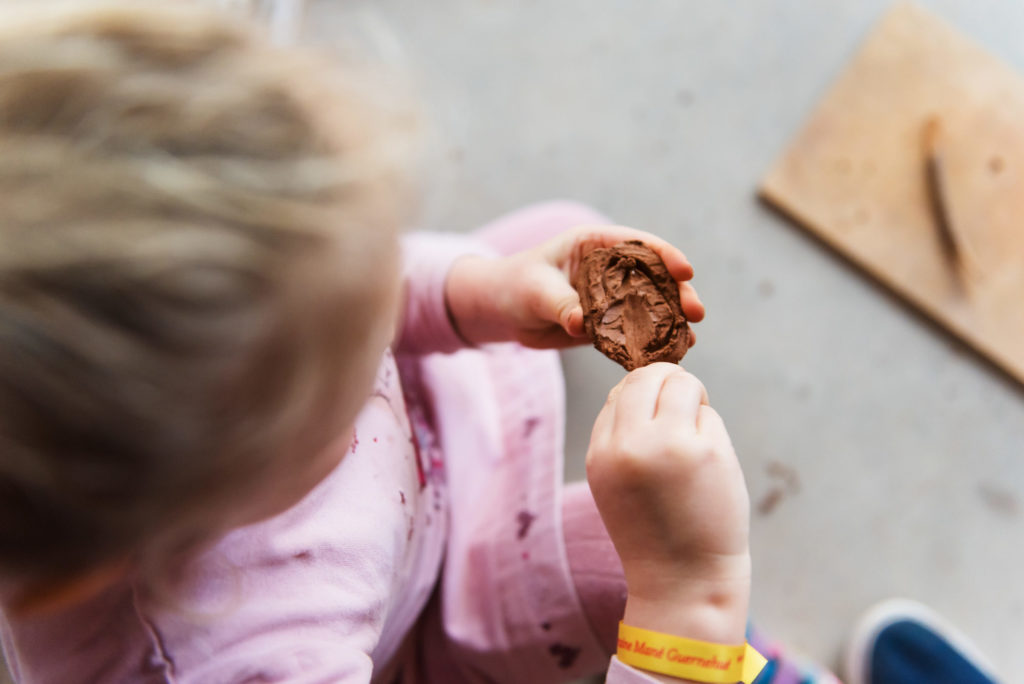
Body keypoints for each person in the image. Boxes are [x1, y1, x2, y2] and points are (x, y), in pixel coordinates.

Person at [0, 3, 768, 683]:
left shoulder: (231, 340)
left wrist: (476, 296)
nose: (378, 339)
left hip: (423, 474)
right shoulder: (249, 661)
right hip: (425, 633)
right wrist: (690, 600)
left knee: (549, 243)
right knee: (649, 558)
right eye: (349, 368)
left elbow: (334, 291)